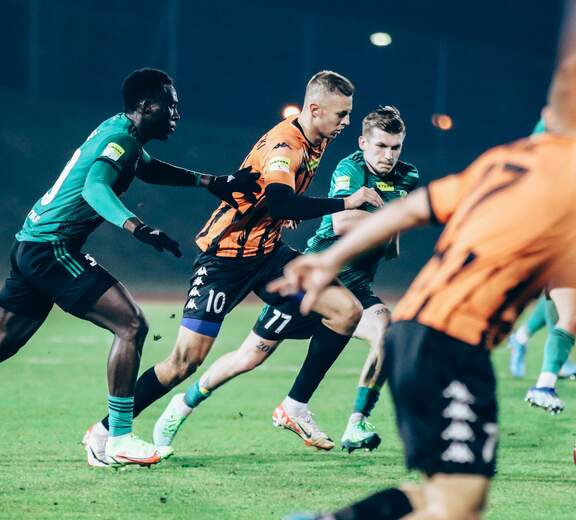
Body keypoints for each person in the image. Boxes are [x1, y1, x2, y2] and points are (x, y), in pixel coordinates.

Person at [272, 55, 576, 520]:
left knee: (456, 498)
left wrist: (327, 258)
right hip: (450, 346)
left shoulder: (500, 163)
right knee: (456, 503)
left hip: (422, 334)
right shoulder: (563, 190)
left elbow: (410, 210)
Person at [84, 70, 384, 465]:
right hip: (224, 259)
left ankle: (295, 406)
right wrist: (345, 201)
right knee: (183, 363)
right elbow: (279, 200)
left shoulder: (319, 136)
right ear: (314, 110)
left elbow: (276, 200)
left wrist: (281, 213)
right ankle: (104, 431)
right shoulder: (286, 145)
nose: (346, 121)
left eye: (348, 113)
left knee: (346, 311)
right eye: (341, 114)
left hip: (269, 255)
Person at [0, 68, 260, 467]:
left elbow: (148, 167)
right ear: (148, 105)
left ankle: (112, 438)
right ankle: (117, 438)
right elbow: (95, 187)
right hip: (51, 248)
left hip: (31, 244)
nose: (177, 114)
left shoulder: (122, 134)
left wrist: (212, 182)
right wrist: (136, 226)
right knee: (132, 325)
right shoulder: (121, 138)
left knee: (6, 341)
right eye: (171, 106)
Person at [150, 105, 418, 454]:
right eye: (381, 146)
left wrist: (392, 229)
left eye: (395, 147)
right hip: (314, 281)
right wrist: (394, 219)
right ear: (363, 143)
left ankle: (352, 421)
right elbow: (343, 224)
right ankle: (182, 405)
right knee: (249, 357)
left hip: (357, 287)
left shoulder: (407, 177)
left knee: (388, 335)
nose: (388, 155)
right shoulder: (351, 168)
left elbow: (392, 246)